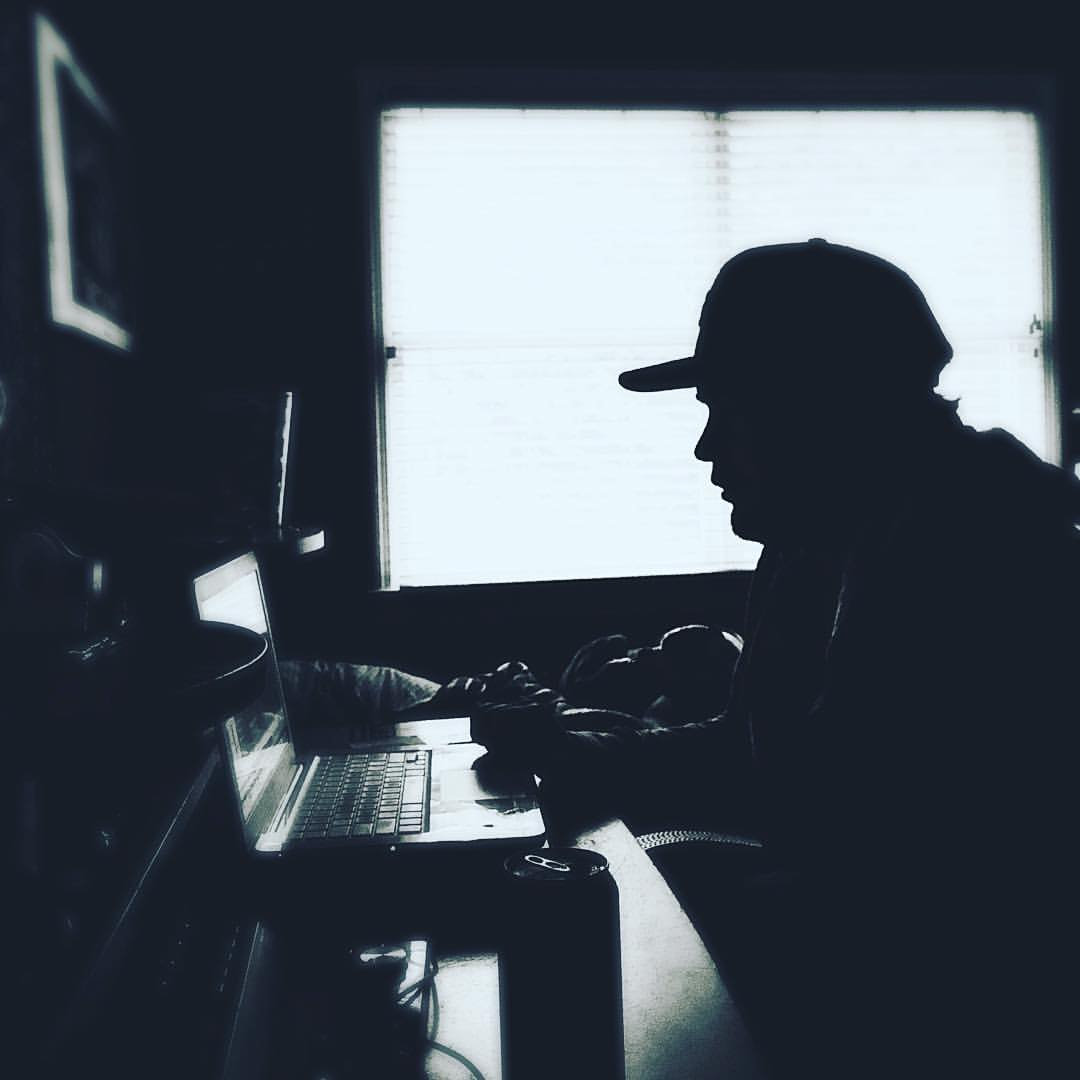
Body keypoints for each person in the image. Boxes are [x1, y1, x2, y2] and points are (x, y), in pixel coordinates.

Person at [471, 239, 1080, 1078]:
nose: (705, 449)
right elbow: (747, 750)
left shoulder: (1000, 559)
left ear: (821, 407)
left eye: (731, 411)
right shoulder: (812, 539)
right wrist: (572, 750)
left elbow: (929, 890)